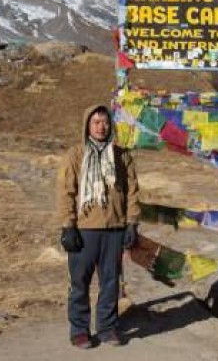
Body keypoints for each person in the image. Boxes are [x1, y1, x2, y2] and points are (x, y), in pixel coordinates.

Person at [55, 105, 140, 349]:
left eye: (104, 122)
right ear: (87, 126)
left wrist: (132, 223)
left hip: (114, 229)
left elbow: (132, 191)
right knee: (79, 282)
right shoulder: (75, 155)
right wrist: (67, 225)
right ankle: (80, 329)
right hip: (83, 230)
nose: (101, 126)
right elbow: (65, 192)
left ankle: (107, 327)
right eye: (96, 122)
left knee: (111, 282)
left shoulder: (122, 156)